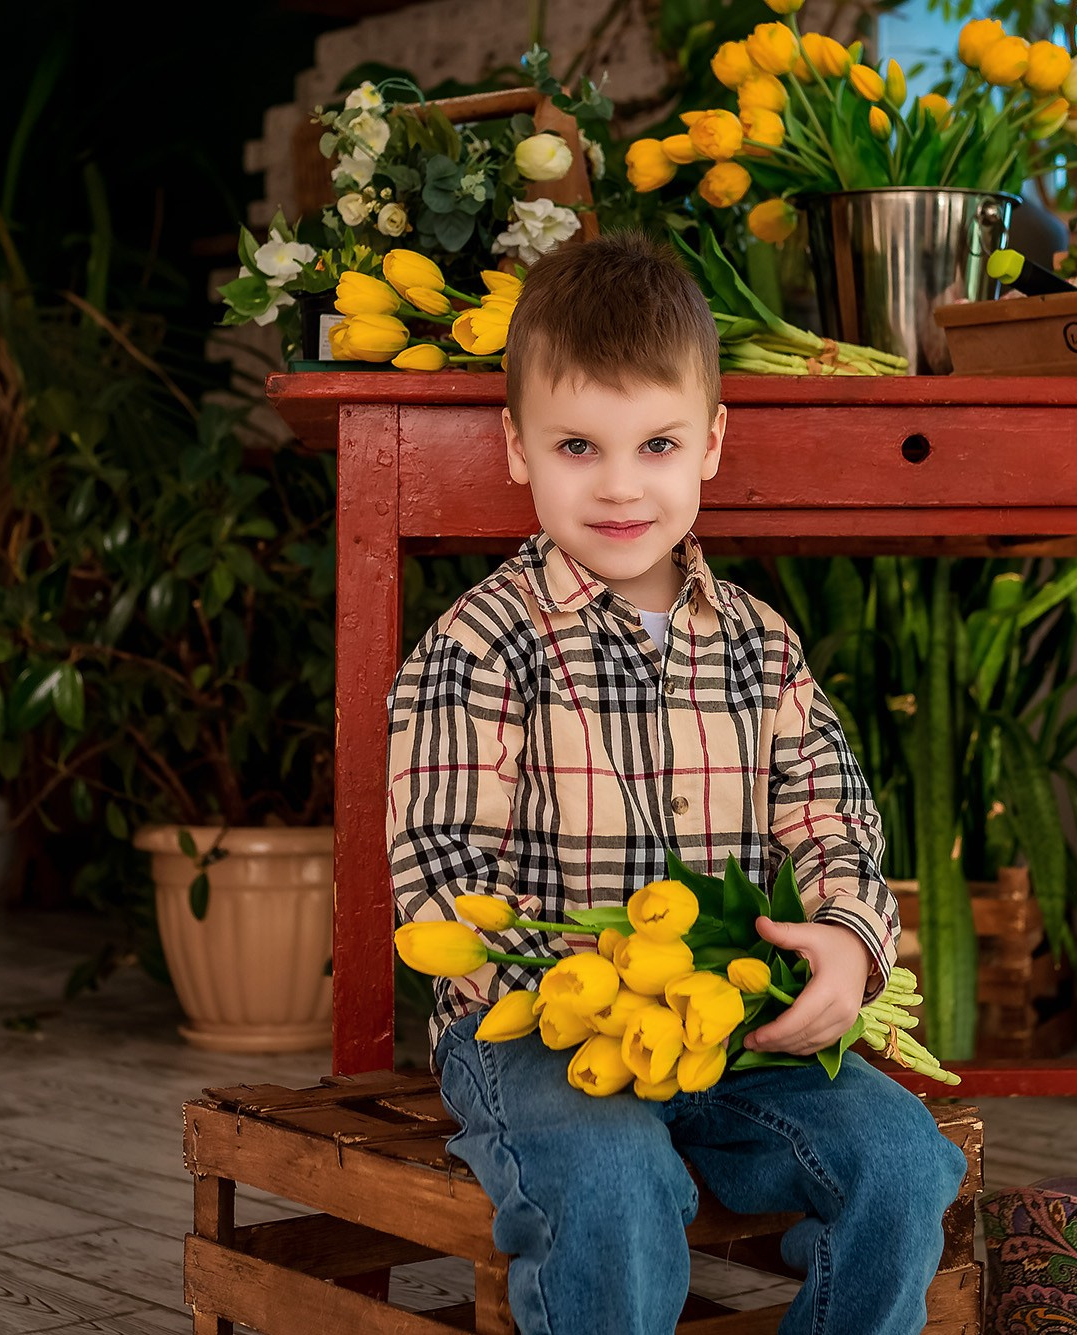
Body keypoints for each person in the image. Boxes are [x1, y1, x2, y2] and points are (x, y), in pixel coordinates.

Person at [385, 231, 966, 1335]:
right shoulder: (479, 645)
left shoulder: (759, 644)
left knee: (899, 1163)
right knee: (612, 1185)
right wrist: (592, 974)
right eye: (576, 446)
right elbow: (439, 878)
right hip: (536, 1034)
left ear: (709, 443)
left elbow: (830, 812)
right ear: (517, 449)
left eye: (654, 444)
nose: (618, 487)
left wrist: (846, 936)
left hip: (734, 1027)